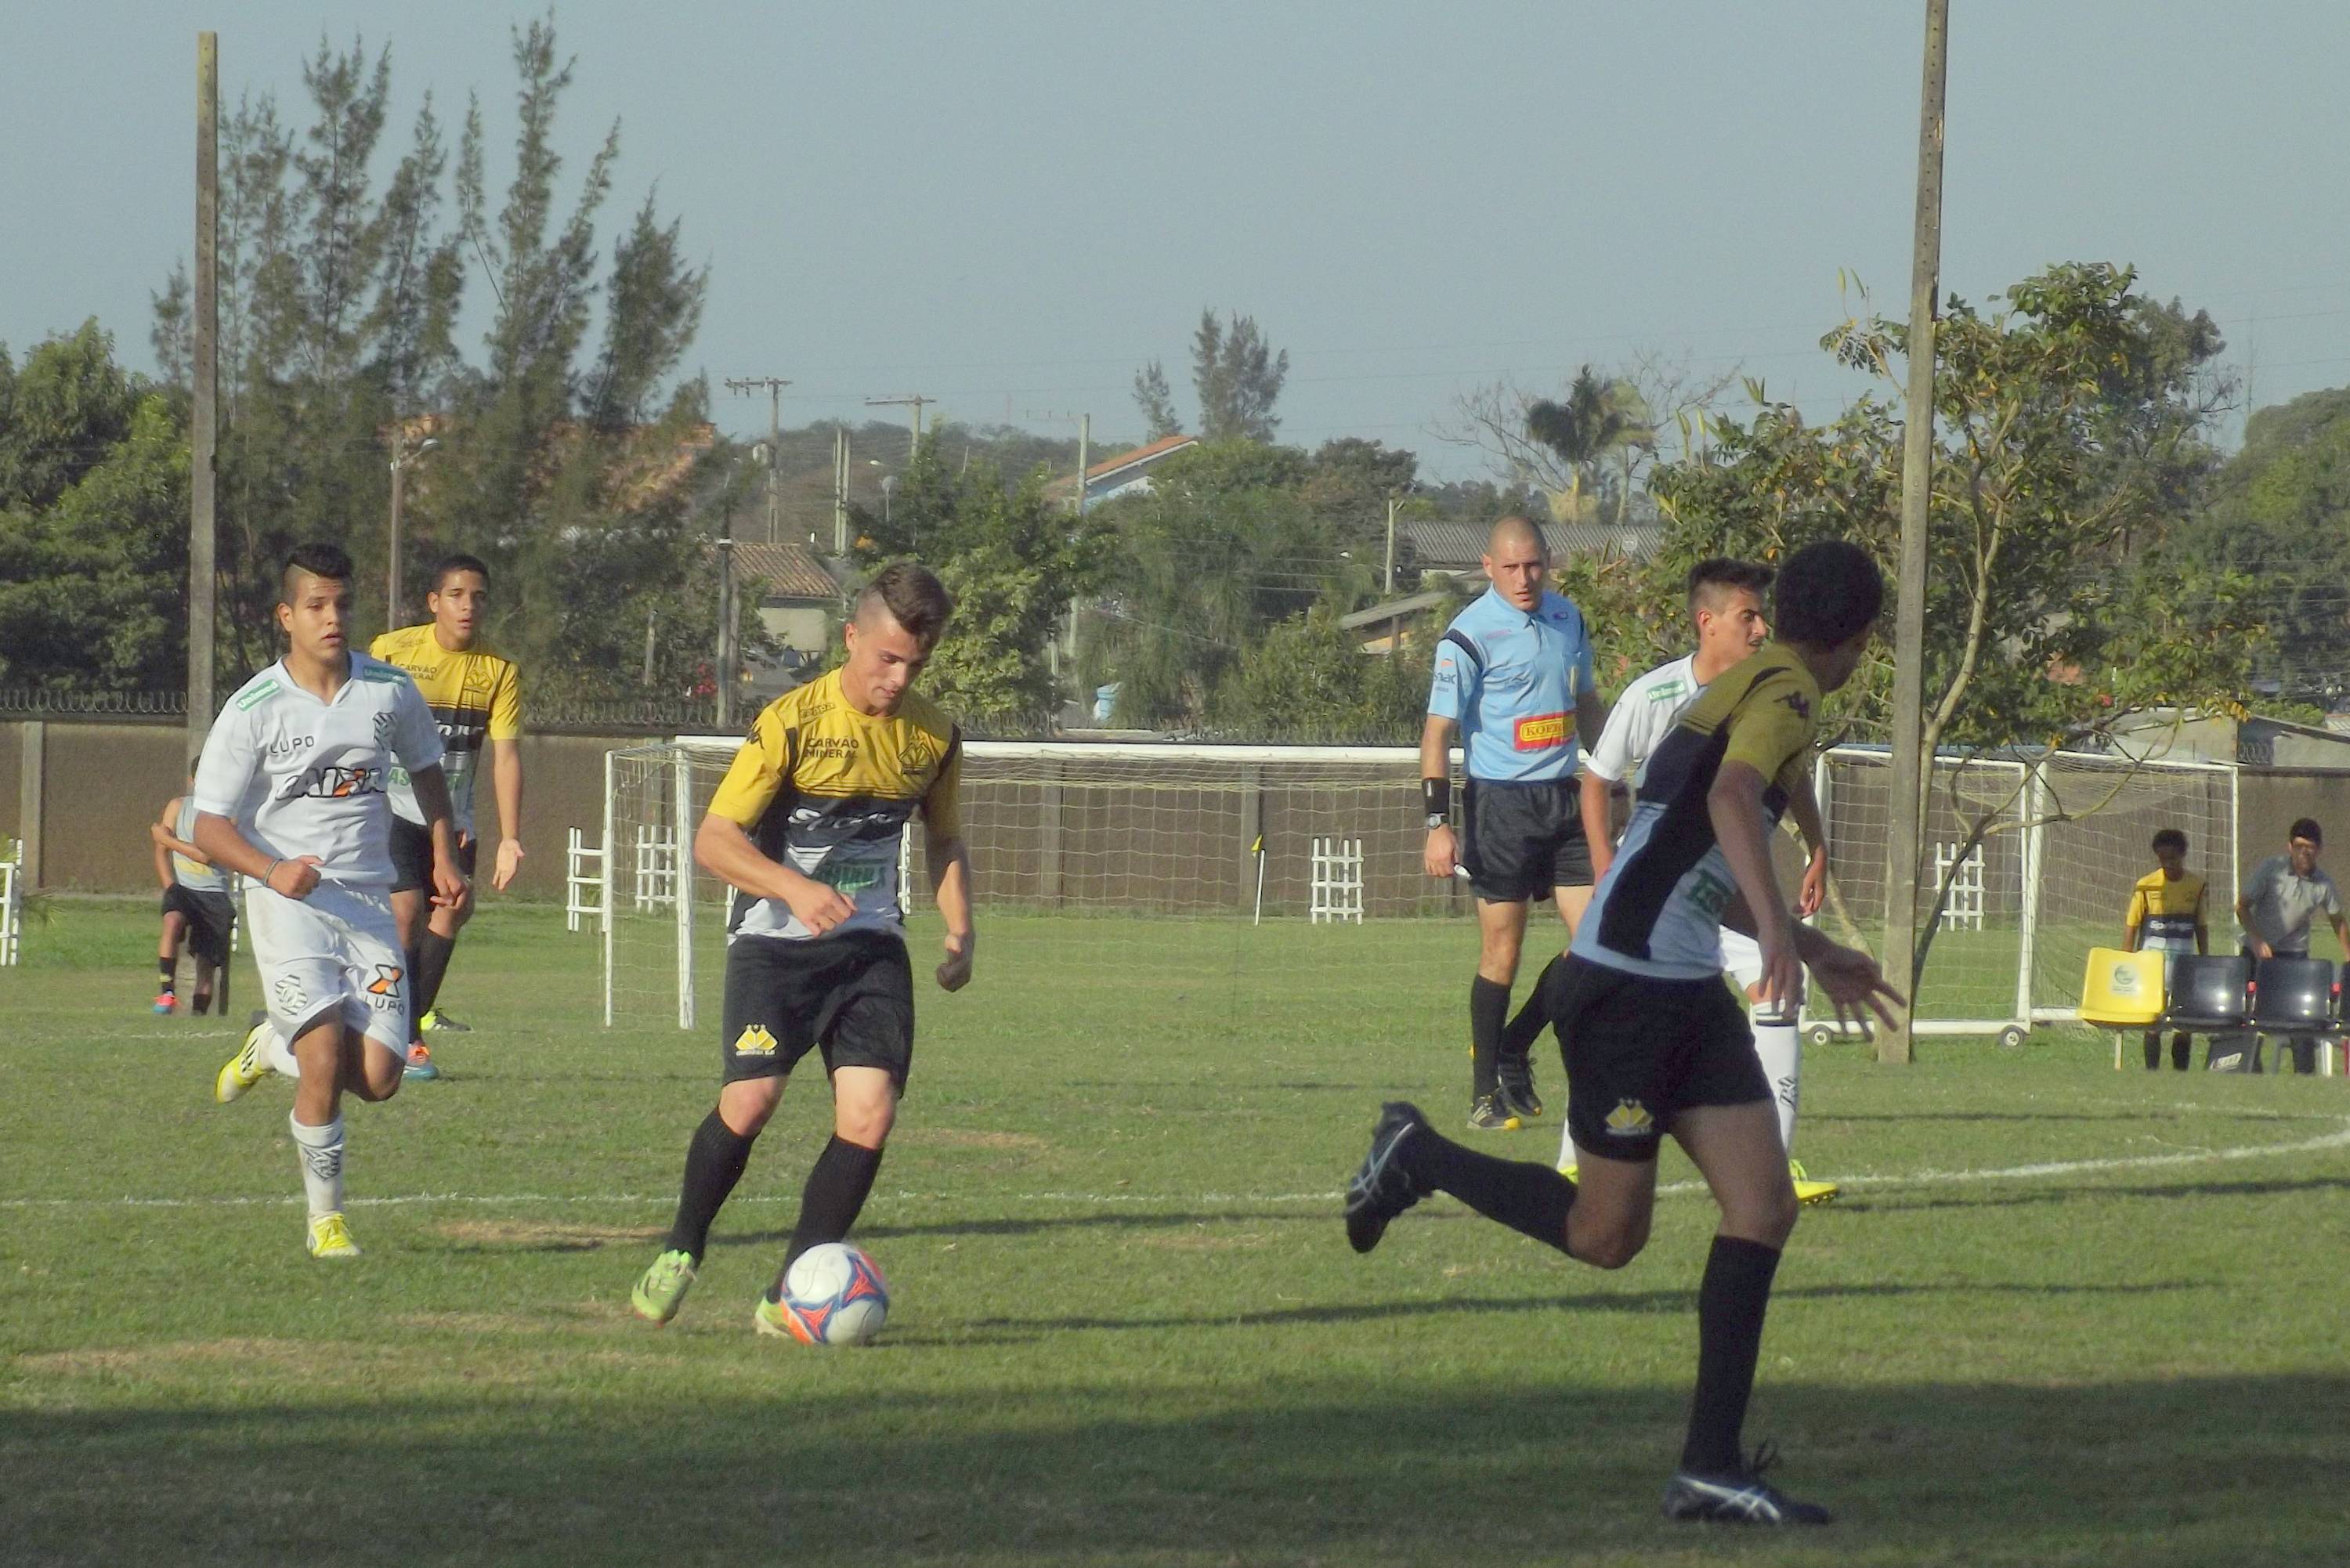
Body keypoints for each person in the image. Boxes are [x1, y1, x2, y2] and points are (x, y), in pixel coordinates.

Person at [1346, 540, 1900, 1526]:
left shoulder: (1737, 687)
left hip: (1675, 980)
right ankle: (1416, 1151)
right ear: (1860, 637)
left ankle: (1711, 1468)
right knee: (1607, 1236)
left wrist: (1803, 943)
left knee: (1764, 1205)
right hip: (1627, 987)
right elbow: (1730, 804)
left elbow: (1684, 860)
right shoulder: (1788, 694)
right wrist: (1777, 923)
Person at [629, 562, 974, 1335]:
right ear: (851, 638)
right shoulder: (790, 723)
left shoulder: (934, 736)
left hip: (870, 950)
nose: (897, 677)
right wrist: (793, 888)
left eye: (914, 665)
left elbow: (946, 838)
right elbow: (714, 841)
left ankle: (789, 1290)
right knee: (750, 1102)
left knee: (870, 1114)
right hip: (776, 949)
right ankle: (684, 1246)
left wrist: (961, 928)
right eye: (886, 658)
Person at [200, 542, 468, 1259]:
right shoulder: (253, 708)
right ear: (286, 616)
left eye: (342, 604)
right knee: (323, 1057)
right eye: (316, 605)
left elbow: (427, 770)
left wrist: (444, 850)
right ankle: (327, 1223)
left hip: (368, 905)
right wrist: (271, 869)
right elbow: (207, 824)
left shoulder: (389, 691)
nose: (332, 617)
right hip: (287, 905)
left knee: (380, 1079)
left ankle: (267, 1043)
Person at [1552, 558, 1837, 1205]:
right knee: (1611, 1220)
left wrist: (1816, 849)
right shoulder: (1658, 696)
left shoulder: (1763, 691)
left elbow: (1781, 776)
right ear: (1707, 623)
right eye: (1749, 616)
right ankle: (1575, 1156)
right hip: (1656, 899)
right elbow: (1598, 781)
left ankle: (1777, 1162)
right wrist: (1603, 875)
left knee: (1776, 997)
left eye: (1765, 614)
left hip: (1716, 893)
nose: (1762, 628)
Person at [1420, 515, 1606, 1131]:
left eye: (1534, 566)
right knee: (1503, 949)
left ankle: (1516, 1043)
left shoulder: (1568, 618)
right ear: (1486, 566)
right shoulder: (1467, 636)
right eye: (1510, 568)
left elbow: (1586, 703)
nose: (1525, 579)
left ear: (1548, 561)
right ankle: (1482, 1094)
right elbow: (1437, 734)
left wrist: (1608, 776)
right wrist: (1436, 824)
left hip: (1567, 799)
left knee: (1597, 944)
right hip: (1500, 805)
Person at [369, 552, 525, 1081]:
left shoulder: (498, 672)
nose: (468, 607)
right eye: (457, 596)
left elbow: (505, 755)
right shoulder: (392, 652)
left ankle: (403, 1022)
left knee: (452, 911)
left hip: (454, 816)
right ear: (434, 602)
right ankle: (407, 1038)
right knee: (407, 912)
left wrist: (510, 837)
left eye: (478, 598)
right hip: (391, 807)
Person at [2232, 818, 2348, 1074]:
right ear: (2289, 847)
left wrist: (2348, 957)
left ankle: (2304, 1076)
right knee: (2245, 1015)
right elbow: (2242, 907)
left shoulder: (2323, 883)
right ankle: (2249, 1070)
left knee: (2303, 1019)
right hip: (2257, 953)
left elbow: (2337, 921)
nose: (2304, 853)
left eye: (2309, 848)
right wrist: (2256, 938)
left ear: (2319, 850)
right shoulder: (2270, 870)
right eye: (2299, 846)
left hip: (2294, 958)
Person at [150, 775, 238, 1016]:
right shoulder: (178, 806)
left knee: (205, 964)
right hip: (183, 890)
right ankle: (167, 992)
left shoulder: (226, 814)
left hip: (213, 895)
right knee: (172, 921)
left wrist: (167, 839)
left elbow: (205, 855)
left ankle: (198, 1015)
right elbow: (161, 851)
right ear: (192, 779)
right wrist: (170, 885)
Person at [2122, 828, 2207, 1071]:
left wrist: (2203, 959)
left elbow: (2201, 926)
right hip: (2152, 964)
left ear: (2183, 855)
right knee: (2153, 1020)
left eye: (2173, 858)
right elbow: (2132, 925)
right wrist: (2127, 960)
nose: (2168, 864)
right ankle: (2152, 1071)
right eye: (2163, 859)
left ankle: (2180, 1072)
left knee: (2183, 1022)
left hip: (2184, 963)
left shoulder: (2197, 885)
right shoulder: (2146, 886)